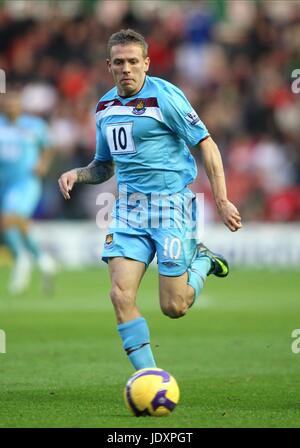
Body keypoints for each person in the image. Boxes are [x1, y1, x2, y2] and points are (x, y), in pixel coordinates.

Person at [58, 29, 242, 371]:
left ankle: (201, 261)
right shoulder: (104, 107)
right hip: (128, 211)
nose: (126, 68)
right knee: (119, 295)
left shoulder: (166, 98)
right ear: (108, 65)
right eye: (118, 62)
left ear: (146, 63)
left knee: (174, 307)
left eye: (132, 61)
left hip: (171, 207)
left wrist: (222, 201)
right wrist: (77, 174)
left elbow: (207, 145)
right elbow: (103, 166)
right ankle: (150, 377)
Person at [0, 91, 56, 294]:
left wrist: (42, 163)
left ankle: (21, 260)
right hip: (3, 183)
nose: (10, 108)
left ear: (20, 106)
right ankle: (43, 259)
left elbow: (50, 147)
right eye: (7, 104)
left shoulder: (34, 125)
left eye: (14, 104)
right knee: (13, 223)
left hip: (25, 182)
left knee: (9, 219)